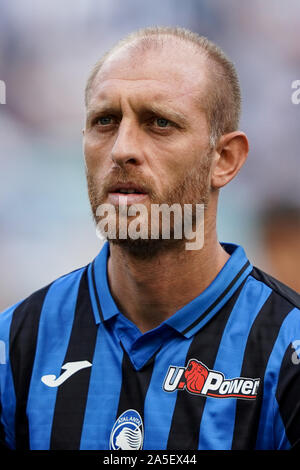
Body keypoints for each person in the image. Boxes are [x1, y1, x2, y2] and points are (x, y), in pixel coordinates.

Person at [0, 26, 299, 451]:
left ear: (225, 159)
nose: (122, 148)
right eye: (105, 121)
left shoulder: (287, 350)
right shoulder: (17, 344)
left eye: (159, 123)